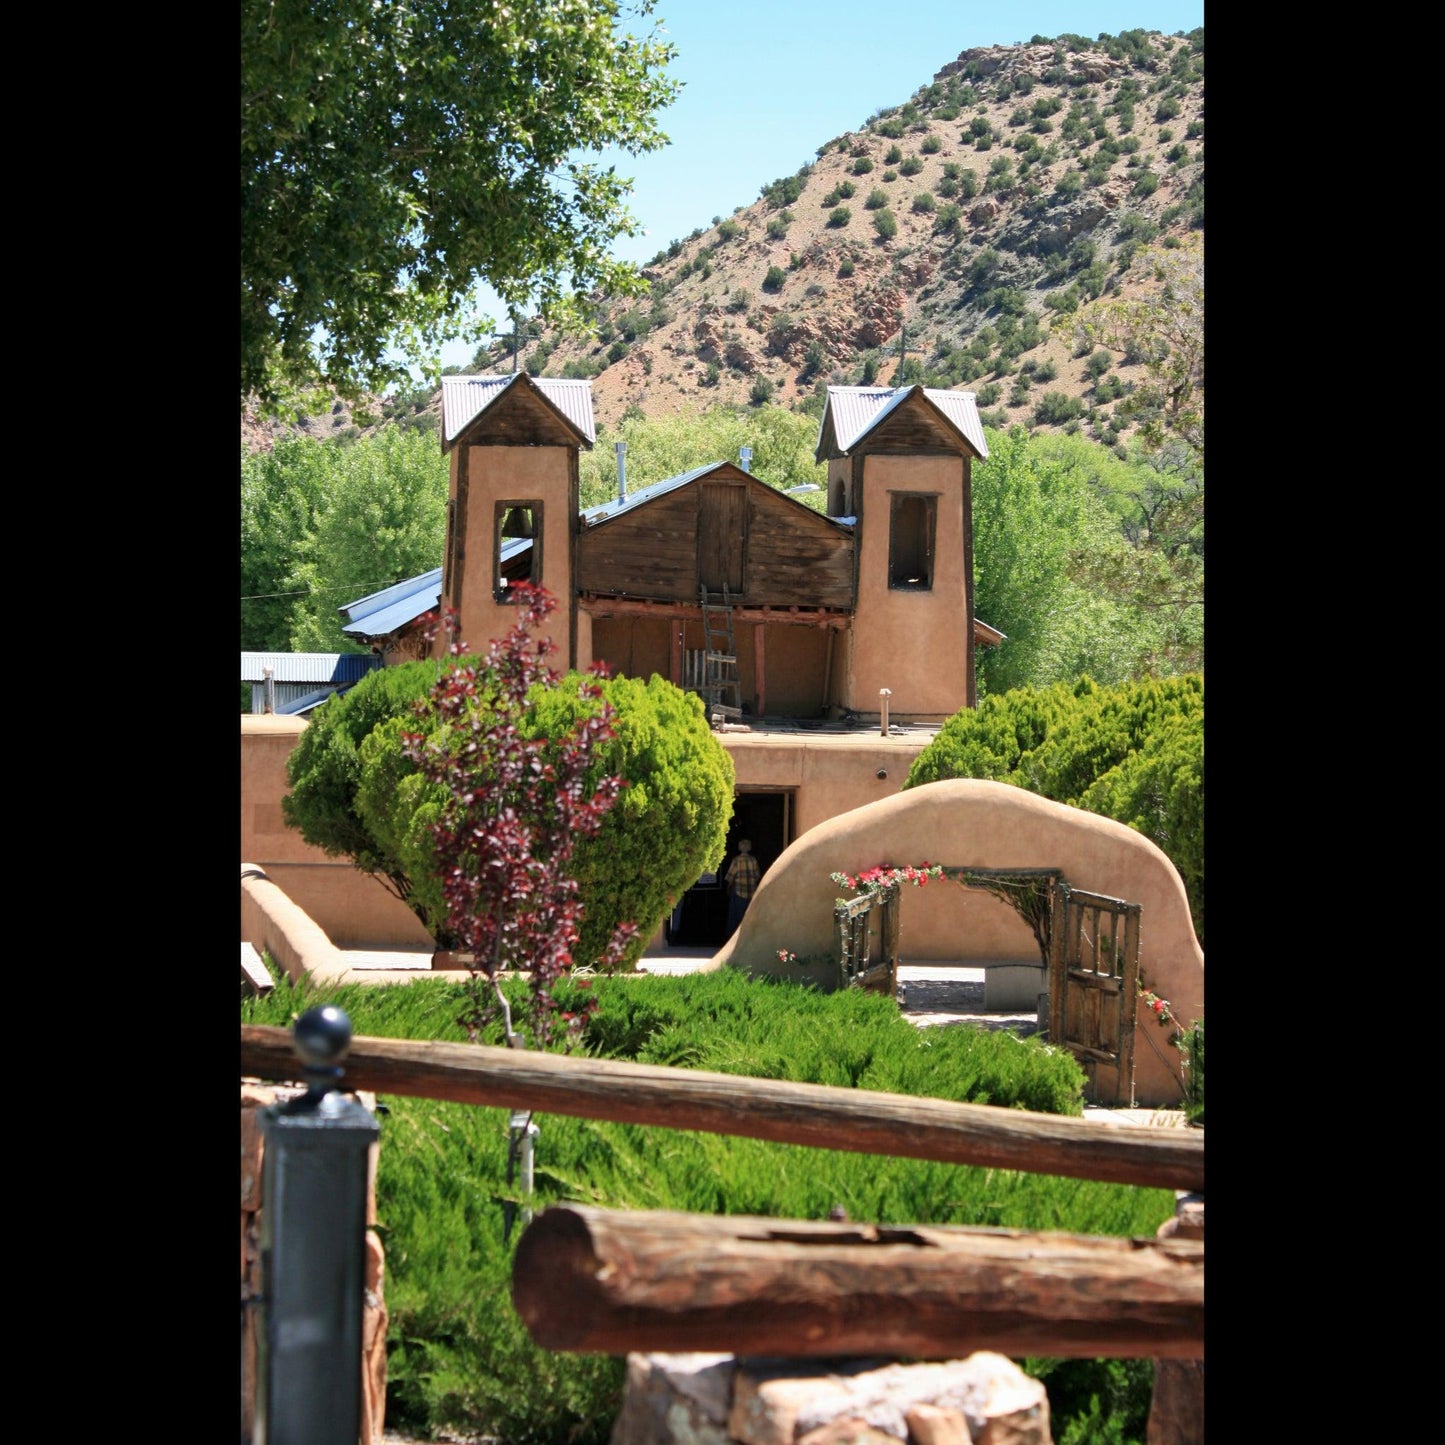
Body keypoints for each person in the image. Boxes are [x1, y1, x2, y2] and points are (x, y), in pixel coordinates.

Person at [725, 838, 760, 934]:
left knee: (737, 915)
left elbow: (730, 875)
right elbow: (757, 875)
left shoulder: (736, 860)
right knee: (749, 914)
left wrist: (728, 888)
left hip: (739, 890)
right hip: (752, 890)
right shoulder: (753, 860)